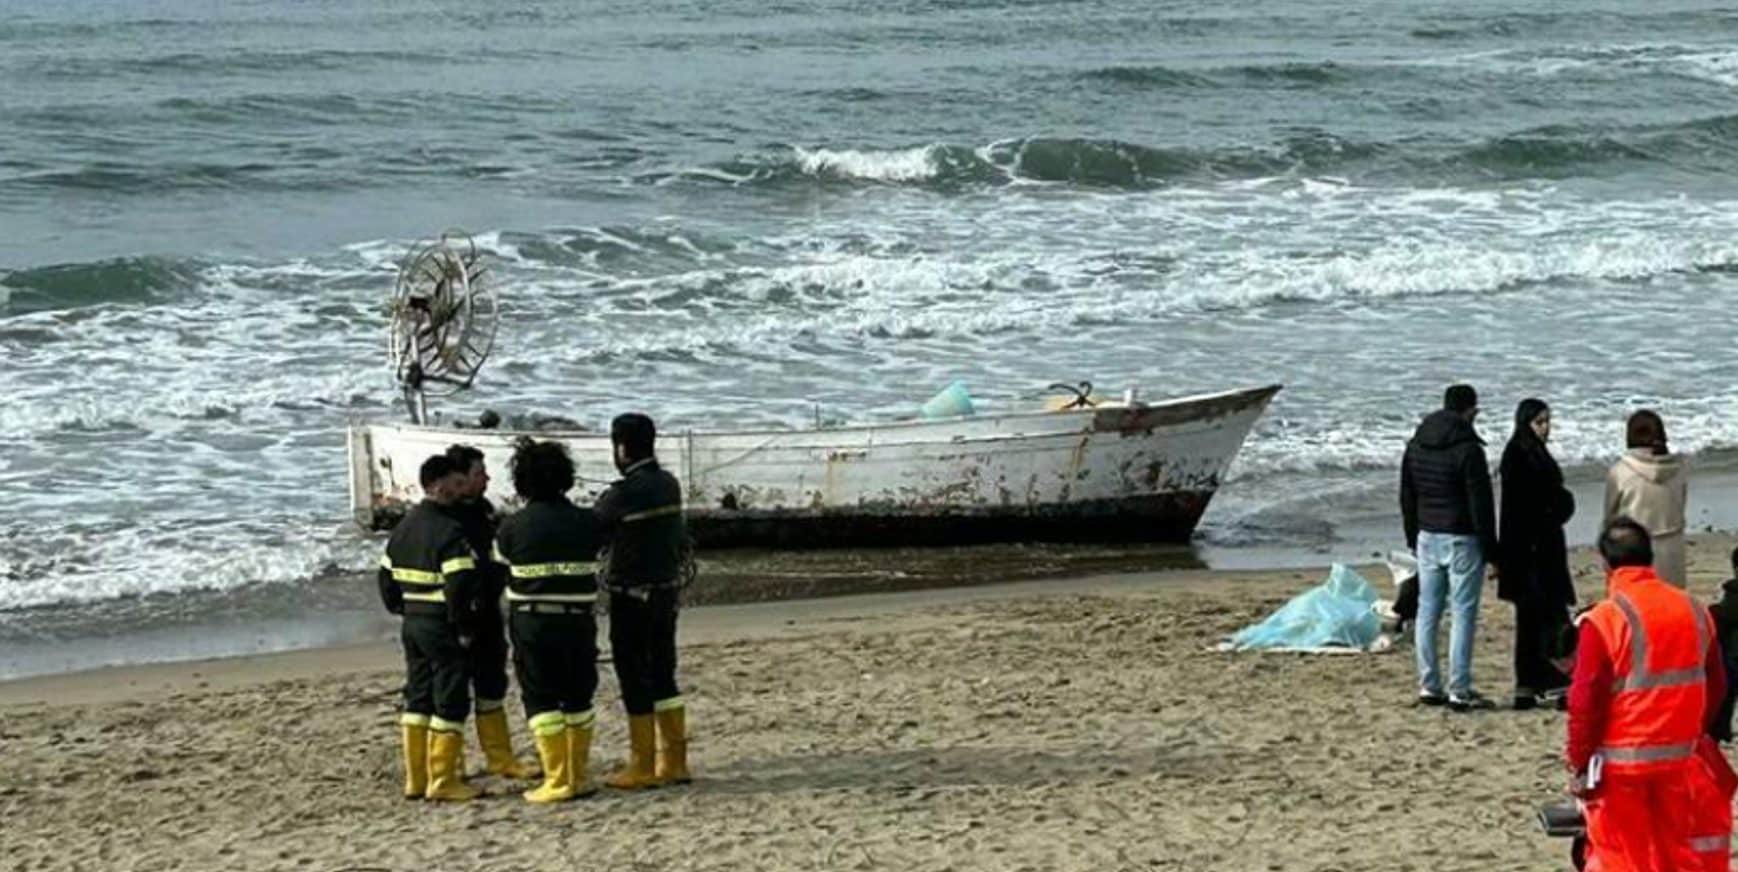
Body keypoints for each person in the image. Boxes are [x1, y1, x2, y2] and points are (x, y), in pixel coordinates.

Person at [1565, 518, 1726, 871]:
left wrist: (1579, 761)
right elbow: (1716, 683)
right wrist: (1691, 729)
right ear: (1650, 558)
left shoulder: (1605, 620)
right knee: (1677, 854)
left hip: (1622, 767)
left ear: (1606, 564)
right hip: (1680, 759)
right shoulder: (1695, 610)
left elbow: (1585, 701)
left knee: (1623, 857)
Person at [492, 438, 602, 803]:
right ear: (566, 477)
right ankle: (578, 774)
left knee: (540, 699)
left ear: (522, 481)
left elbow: (497, 573)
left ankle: (557, 780)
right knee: (578, 697)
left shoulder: (511, 528)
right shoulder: (589, 523)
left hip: (532, 623)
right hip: (579, 621)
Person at [377, 455, 486, 802]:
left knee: (418, 696)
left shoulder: (404, 527)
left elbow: (385, 580)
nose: (460, 490)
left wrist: (403, 608)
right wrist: (464, 626)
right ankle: (443, 779)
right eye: (455, 484)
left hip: (412, 622)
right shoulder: (449, 531)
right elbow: (458, 585)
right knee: (450, 699)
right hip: (441, 623)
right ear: (436, 485)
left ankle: (416, 779)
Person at [596, 413, 692, 789]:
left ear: (620, 448)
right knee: (664, 674)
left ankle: (642, 764)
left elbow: (593, 530)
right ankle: (675, 760)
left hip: (631, 597)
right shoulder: (669, 484)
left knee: (634, 676)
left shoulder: (621, 495)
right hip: (666, 593)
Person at [1400, 384, 1498, 711]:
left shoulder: (1416, 444)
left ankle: (1429, 684)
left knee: (1428, 611)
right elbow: (1480, 505)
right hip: (1462, 537)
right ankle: (1460, 687)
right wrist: (1492, 551)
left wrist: (1412, 536)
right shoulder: (1469, 449)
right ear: (1470, 411)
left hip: (1427, 534)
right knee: (1462, 613)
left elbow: (1407, 495)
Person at [443, 444, 537, 781]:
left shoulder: (484, 511)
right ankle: (450, 766)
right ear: (457, 478)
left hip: (488, 613)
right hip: (453, 617)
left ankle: (500, 758)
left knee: (492, 685)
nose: (486, 479)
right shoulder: (442, 519)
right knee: (450, 695)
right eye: (479, 473)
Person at [1497, 399, 1577, 710]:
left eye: (1547, 420)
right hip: (1536, 550)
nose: (1546, 427)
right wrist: (1562, 505)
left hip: (1524, 550)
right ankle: (1552, 683)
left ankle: (1528, 686)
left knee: (1532, 620)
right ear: (1526, 422)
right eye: (1540, 422)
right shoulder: (1526, 455)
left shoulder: (1519, 451)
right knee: (1549, 618)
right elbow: (1538, 504)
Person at [1605, 410, 1690, 588]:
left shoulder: (1620, 471)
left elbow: (1609, 519)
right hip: (1672, 547)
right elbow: (1681, 504)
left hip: (1631, 551)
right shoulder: (1679, 468)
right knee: (1672, 605)